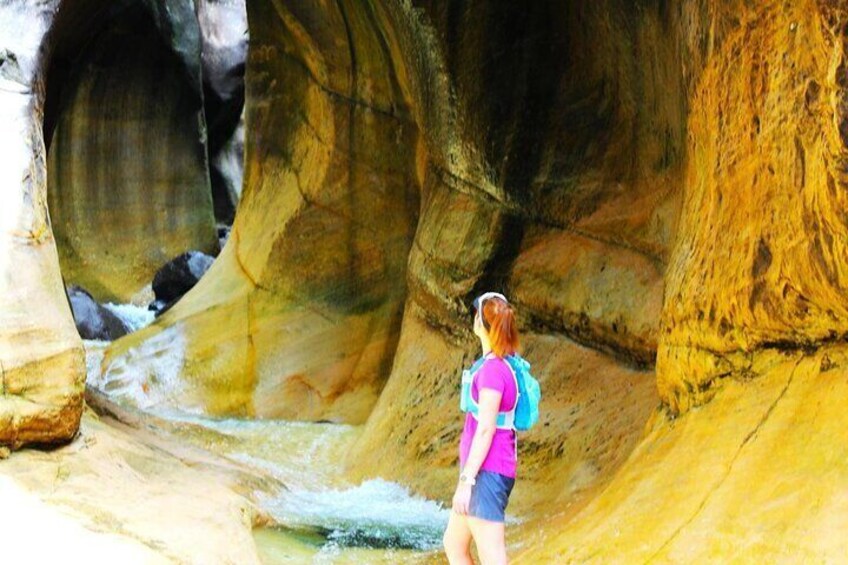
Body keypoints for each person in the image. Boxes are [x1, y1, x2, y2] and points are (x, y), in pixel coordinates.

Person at [443, 291, 520, 565]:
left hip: (485, 473)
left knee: (493, 557)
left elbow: (486, 429)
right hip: (484, 471)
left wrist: (466, 481)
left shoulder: (492, 372)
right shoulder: (503, 365)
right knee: (454, 544)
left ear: (480, 323)